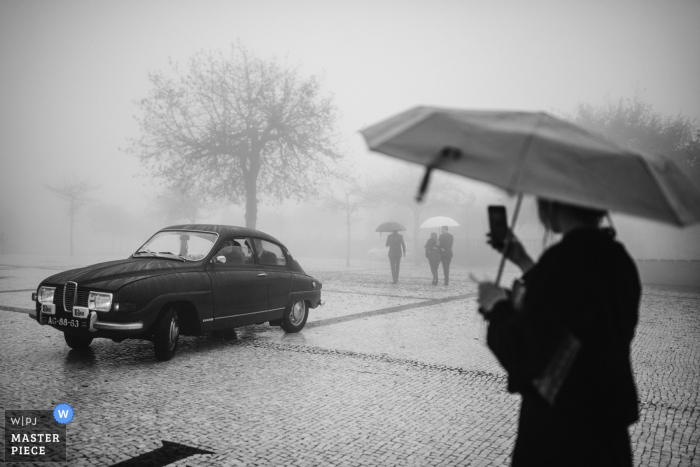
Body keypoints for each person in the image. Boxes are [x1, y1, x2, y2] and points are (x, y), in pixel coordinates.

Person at [475, 198, 640, 467]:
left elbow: (523, 353)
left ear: (551, 205)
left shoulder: (563, 260)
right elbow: (573, 306)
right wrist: (522, 259)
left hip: (561, 432)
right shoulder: (618, 259)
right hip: (608, 432)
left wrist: (496, 306)